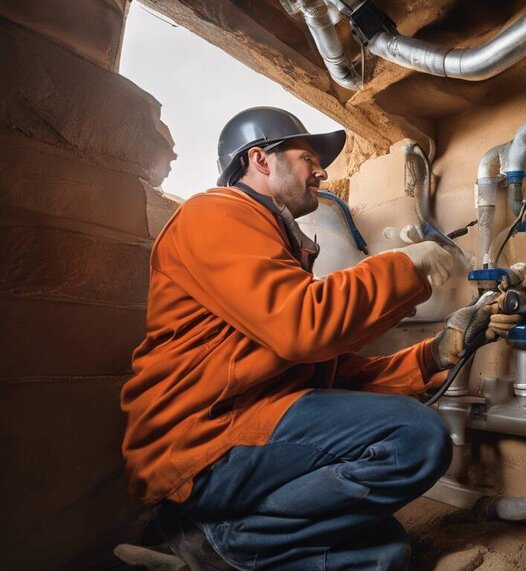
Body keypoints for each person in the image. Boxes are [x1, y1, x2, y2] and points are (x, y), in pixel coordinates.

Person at [120, 107, 499, 570]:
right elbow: (304, 328)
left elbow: (326, 374)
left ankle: (198, 548)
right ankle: (223, 540)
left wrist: (434, 354)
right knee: (414, 435)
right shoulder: (215, 212)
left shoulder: (278, 242)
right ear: (260, 160)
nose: (321, 170)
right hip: (201, 446)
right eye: (306, 158)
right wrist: (405, 266)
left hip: (252, 428)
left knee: (382, 552)